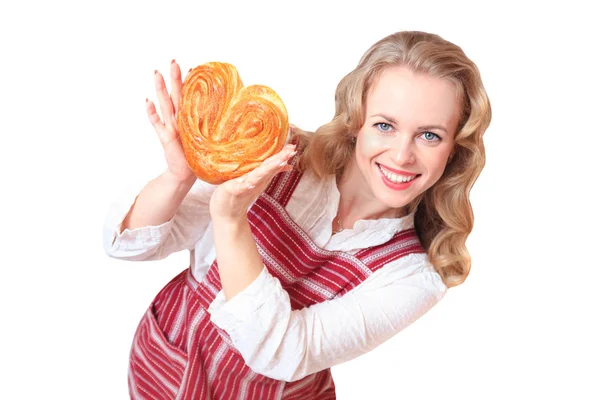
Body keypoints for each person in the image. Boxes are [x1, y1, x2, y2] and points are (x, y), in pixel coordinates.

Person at [103, 30, 492, 400]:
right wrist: (179, 176)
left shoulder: (414, 277)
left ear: (454, 149)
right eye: (385, 125)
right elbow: (127, 246)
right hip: (163, 366)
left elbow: (281, 351)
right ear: (357, 120)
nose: (402, 155)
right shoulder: (271, 151)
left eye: (430, 135)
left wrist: (230, 220)